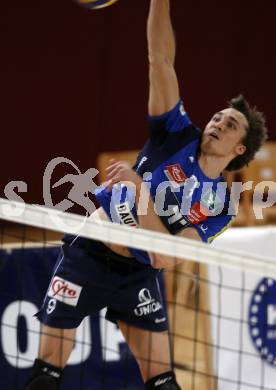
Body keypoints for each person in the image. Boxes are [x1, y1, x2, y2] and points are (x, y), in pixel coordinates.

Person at [25, 0, 268, 389]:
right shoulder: (175, 134)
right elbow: (160, 60)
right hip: (89, 252)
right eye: (219, 116)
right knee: (45, 377)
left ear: (240, 149)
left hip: (138, 273)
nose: (219, 121)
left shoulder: (221, 205)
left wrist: (141, 194)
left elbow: (165, 255)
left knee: (164, 383)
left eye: (231, 123)